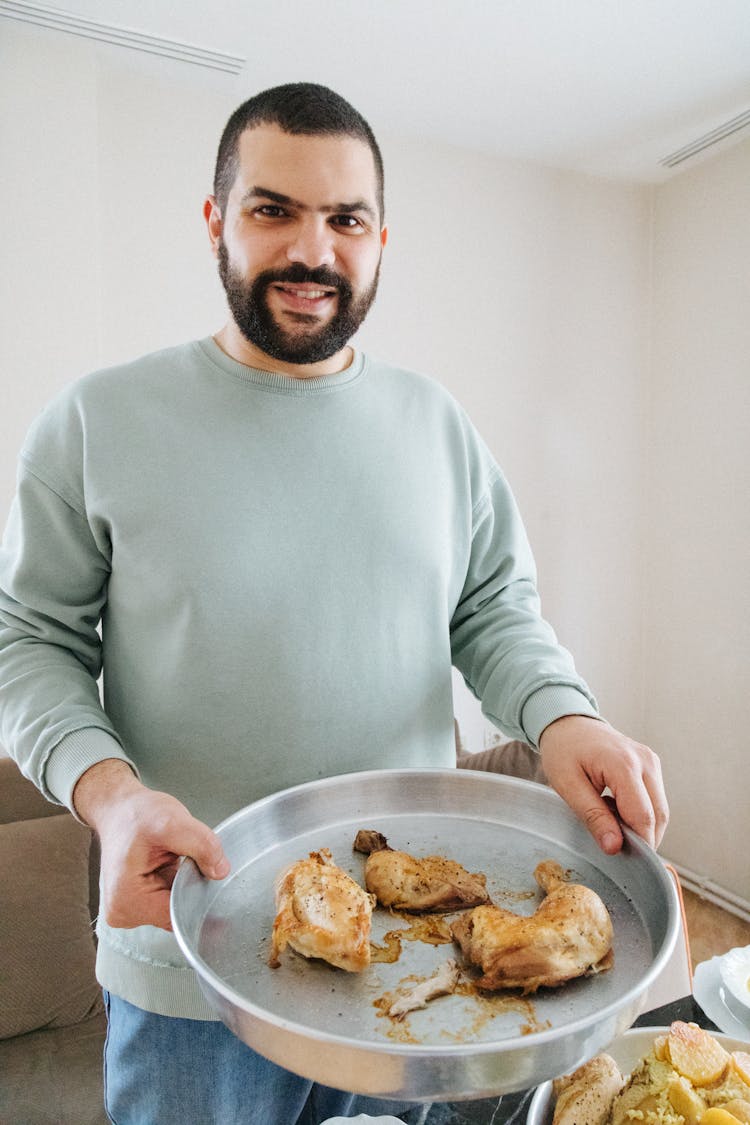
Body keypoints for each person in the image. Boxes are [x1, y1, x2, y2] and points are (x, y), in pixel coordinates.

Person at [0, 83, 668, 1124]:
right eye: (274, 210)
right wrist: (110, 797)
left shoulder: (435, 424)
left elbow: (492, 606)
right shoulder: (96, 421)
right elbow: (25, 642)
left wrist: (562, 713)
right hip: (189, 970)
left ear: (381, 237)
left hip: (416, 970)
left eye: (345, 219)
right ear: (217, 221)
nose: (313, 250)